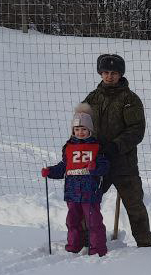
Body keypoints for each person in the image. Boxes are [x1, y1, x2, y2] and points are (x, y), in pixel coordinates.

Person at [83, 54, 151, 247]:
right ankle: (84, 240)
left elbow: (136, 129)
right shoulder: (92, 98)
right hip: (98, 163)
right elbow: (81, 125)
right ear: (100, 73)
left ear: (120, 74)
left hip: (124, 164)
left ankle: (147, 246)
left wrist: (116, 146)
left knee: (135, 206)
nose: (109, 76)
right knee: (88, 201)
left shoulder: (130, 99)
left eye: (114, 73)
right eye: (106, 72)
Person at [42, 104, 110, 256]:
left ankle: (97, 249)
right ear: (73, 131)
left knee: (93, 221)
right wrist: (50, 171)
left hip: (90, 191)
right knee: (72, 221)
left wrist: (95, 167)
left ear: (90, 130)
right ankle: (73, 246)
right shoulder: (68, 147)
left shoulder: (96, 147)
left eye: (84, 129)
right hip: (72, 191)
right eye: (77, 129)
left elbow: (105, 166)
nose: (80, 132)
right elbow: (64, 167)